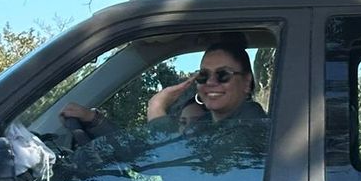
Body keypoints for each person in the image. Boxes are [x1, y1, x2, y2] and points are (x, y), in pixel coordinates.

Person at [61, 36, 265, 136]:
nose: (211, 82)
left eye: (223, 75)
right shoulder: (211, 129)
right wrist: (94, 120)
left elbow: (177, 171)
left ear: (246, 82)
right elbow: (140, 155)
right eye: (203, 75)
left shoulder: (251, 126)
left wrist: (157, 108)